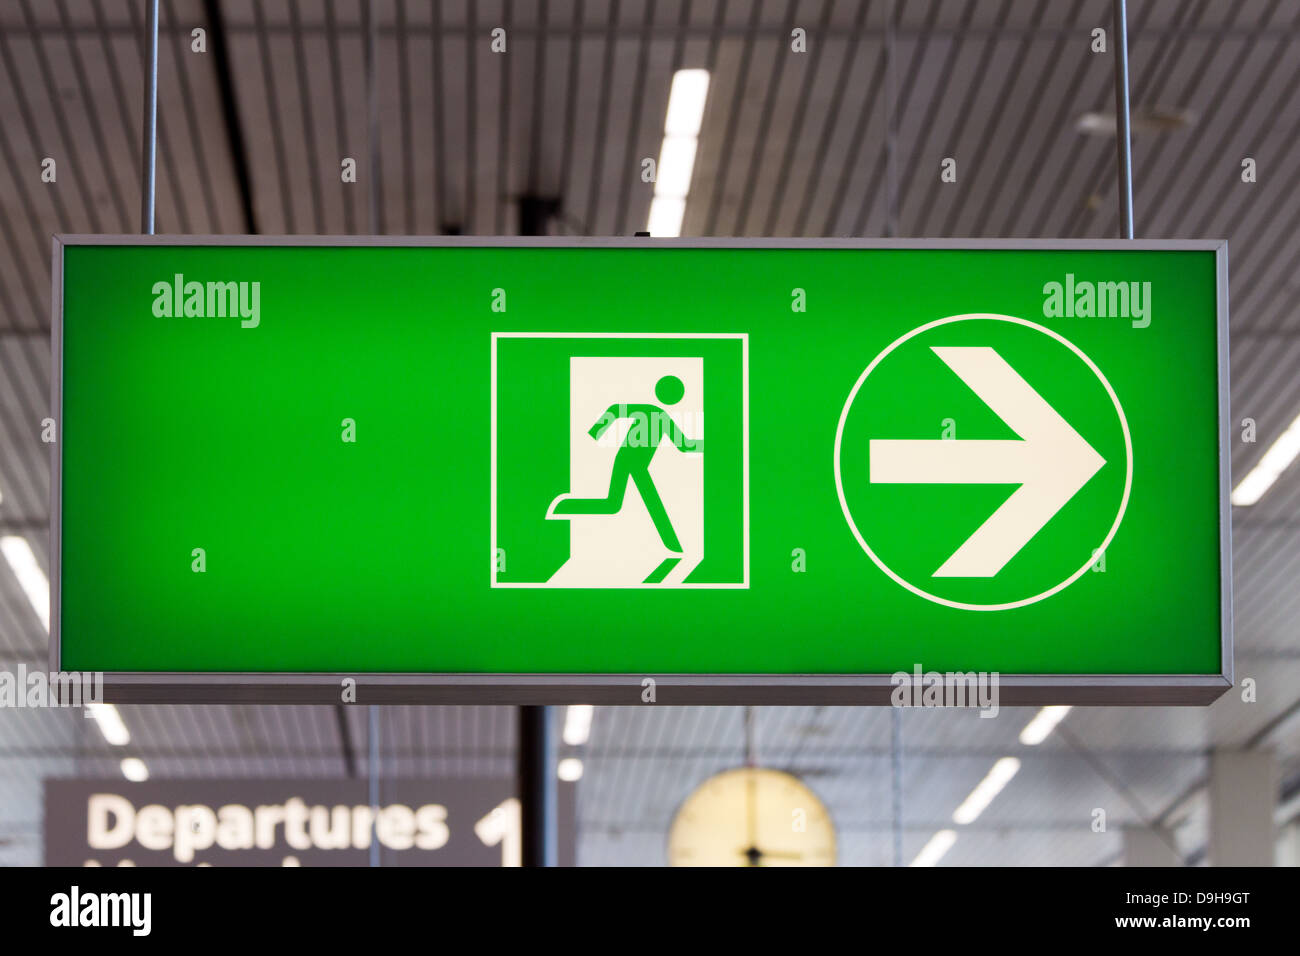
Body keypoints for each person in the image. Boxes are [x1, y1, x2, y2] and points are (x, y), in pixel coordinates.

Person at [549, 374, 702, 553]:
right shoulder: (652, 412)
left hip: (636, 464)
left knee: (613, 504)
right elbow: (615, 409)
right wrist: (597, 431)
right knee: (634, 501)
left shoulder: (660, 416)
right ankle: (672, 543)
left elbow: (684, 445)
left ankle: (565, 507)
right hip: (628, 462)